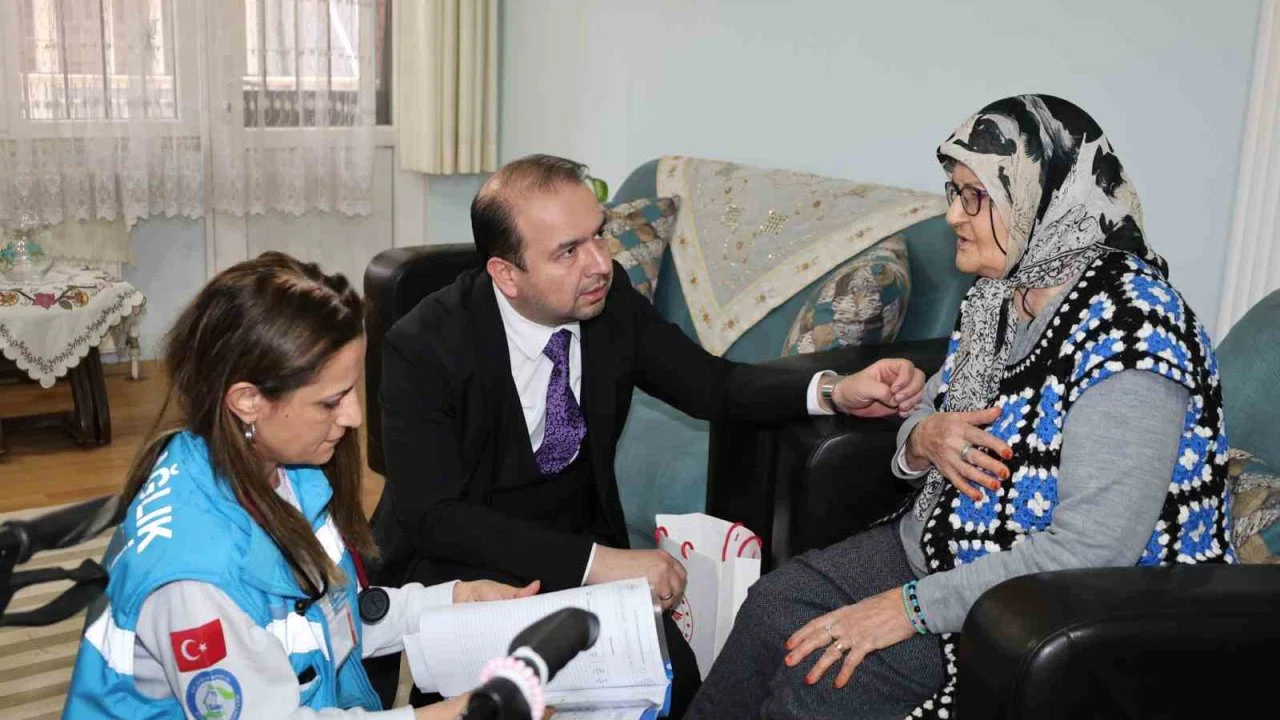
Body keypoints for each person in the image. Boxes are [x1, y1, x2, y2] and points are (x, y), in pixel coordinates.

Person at [685, 94, 1236, 719]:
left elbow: (1090, 552)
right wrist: (922, 439)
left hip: (1040, 608)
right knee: (771, 610)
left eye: (976, 196)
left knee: (823, 685)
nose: (952, 214)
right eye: (953, 190)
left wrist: (906, 608)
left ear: (1043, 197)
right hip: (938, 550)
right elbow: (927, 415)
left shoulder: (1134, 330)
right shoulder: (999, 294)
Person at [365, 153, 930, 715]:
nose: (600, 264)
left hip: (579, 538)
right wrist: (601, 562)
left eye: (598, 235)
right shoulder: (425, 345)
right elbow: (437, 517)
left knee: (673, 685)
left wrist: (835, 390)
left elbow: (715, 386)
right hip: (467, 561)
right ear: (506, 274)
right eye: (568, 251)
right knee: (492, 706)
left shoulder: (607, 305)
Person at [64, 252, 538, 719]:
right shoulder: (195, 578)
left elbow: (326, 615)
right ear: (248, 401)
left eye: (352, 390)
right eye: (331, 401)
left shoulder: (277, 467)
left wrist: (455, 600)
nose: (354, 417)